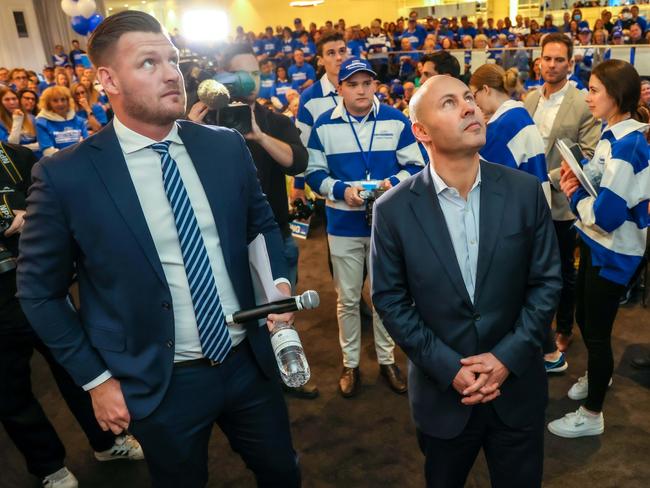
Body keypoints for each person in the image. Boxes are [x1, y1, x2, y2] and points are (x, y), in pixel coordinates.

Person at [18, 11, 301, 488]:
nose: (172, 73)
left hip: (246, 362)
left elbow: (263, 226)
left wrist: (277, 285)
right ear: (107, 79)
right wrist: (97, 381)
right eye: (149, 63)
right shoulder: (67, 176)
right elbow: (39, 294)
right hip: (158, 380)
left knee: (282, 472)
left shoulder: (224, 146)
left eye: (171, 60)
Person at [371, 74, 561, 488]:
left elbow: (546, 282)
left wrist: (506, 358)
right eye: (449, 103)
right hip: (444, 396)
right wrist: (448, 367)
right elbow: (390, 300)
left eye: (470, 98)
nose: (470, 107)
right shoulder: (393, 210)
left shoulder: (524, 191)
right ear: (421, 131)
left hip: (518, 391)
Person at [0, 140, 143, 488]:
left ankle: (108, 442)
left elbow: (47, 206)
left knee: (78, 367)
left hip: (38, 282)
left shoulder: (15, 155)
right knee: (9, 391)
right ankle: (48, 466)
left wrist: (18, 219)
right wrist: (12, 218)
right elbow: (20, 217)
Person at [305, 57, 425, 398]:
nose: (361, 90)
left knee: (385, 296)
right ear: (339, 88)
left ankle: (388, 360)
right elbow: (314, 174)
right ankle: (351, 363)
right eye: (352, 84)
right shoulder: (323, 125)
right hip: (343, 224)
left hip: (386, 226)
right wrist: (342, 190)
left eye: (366, 83)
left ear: (375, 86)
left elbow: (416, 165)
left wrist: (390, 183)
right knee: (346, 298)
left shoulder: (396, 120)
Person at [548, 60, 650, 438]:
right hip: (596, 243)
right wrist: (577, 177)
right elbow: (600, 188)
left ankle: (592, 415)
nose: (587, 96)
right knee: (588, 320)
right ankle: (596, 375)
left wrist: (574, 196)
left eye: (593, 90)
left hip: (614, 250)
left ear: (616, 96)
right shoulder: (612, 134)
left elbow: (606, 215)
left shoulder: (628, 145)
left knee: (596, 331)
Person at [524, 33, 600, 357]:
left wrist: (546, 178)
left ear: (570, 63)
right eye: (547, 58)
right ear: (538, 60)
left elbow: (588, 153)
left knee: (563, 272)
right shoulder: (528, 100)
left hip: (560, 204)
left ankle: (565, 327)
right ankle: (533, 328)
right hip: (525, 201)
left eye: (559, 59)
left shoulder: (583, 102)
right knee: (529, 268)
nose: (551, 65)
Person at [469, 64, 551, 206]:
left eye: (474, 95)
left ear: (486, 89)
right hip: (535, 208)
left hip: (522, 212)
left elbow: (479, 180)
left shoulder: (501, 126)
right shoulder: (519, 114)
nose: (475, 103)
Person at [293, 31, 348, 200]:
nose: (338, 57)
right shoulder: (309, 97)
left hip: (362, 182)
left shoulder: (363, 91)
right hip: (326, 187)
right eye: (331, 53)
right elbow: (302, 143)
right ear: (321, 60)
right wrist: (298, 184)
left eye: (342, 51)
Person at [35, 86, 88, 156]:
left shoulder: (79, 121)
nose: (60, 104)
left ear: (68, 101)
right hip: (56, 164)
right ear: (48, 103)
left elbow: (86, 145)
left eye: (63, 100)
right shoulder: (41, 123)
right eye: (55, 100)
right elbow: (48, 152)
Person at [0, 86, 39, 154]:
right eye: (7, 99)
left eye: (14, 99)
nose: (12, 102)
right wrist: (17, 120)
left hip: (34, 158)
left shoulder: (31, 118)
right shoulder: (1, 123)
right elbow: (11, 147)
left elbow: (43, 144)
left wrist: (21, 147)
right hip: (13, 160)